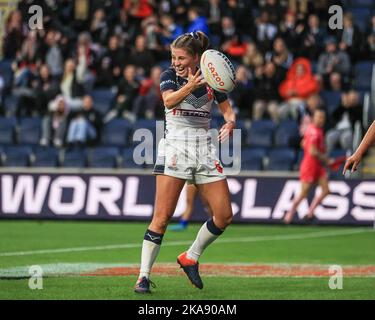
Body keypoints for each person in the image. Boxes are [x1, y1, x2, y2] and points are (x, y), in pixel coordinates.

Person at [134, 31, 236, 294]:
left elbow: (227, 110)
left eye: (180, 58)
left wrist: (230, 123)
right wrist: (190, 85)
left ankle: (190, 256)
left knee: (224, 215)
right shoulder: (169, 76)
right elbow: (168, 101)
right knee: (162, 218)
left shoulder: (212, 78)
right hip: (175, 148)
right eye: (173, 57)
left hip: (204, 150)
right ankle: (143, 277)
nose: (175, 62)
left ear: (195, 58)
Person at [284, 108, 333, 224]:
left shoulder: (315, 130)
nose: (321, 120)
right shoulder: (314, 132)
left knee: (326, 190)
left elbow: (303, 143)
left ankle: (310, 213)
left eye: (323, 118)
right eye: (319, 117)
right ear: (313, 118)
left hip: (317, 165)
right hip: (310, 165)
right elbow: (312, 151)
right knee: (304, 192)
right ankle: (289, 214)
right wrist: (326, 159)